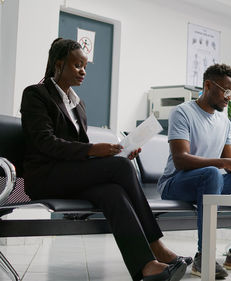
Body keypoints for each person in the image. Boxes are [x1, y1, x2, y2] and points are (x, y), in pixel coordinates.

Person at [20, 38, 190, 281]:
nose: (83, 71)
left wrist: (118, 151)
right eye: (77, 65)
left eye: (85, 66)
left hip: (70, 176)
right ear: (58, 64)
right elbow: (44, 143)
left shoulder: (78, 105)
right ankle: (157, 245)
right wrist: (93, 150)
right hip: (45, 177)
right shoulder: (36, 94)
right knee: (120, 168)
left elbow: (76, 148)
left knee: (112, 192)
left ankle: (146, 266)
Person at [157, 64, 231, 278]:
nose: (230, 97)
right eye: (226, 91)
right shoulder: (183, 112)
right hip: (176, 183)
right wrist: (224, 164)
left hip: (211, 181)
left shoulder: (224, 121)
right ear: (207, 85)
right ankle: (204, 256)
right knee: (213, 172)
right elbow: (180, 160)